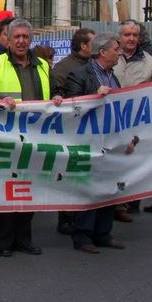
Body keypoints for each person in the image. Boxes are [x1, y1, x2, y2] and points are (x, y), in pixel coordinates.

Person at [0, 18, 61, 257]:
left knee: (28, 190)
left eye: (25, 37)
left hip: (35, 138)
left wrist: (58, 96)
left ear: (31, 39)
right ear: (8, 39)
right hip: (6, 137)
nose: (21, 41)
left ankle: (24, 240)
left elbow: (55, 90)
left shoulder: (43, 66)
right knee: (6, 191)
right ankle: (4, 242)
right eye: (17, 37)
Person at [63, 33, 126, 254]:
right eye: (116, 49)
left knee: (107, 188)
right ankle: (82, 235)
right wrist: (94, 96)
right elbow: (72, 107)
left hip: (109, 141)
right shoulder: (80, 75)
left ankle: (103, 233)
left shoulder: (112, 77)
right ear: (103, 52)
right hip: (87, 141)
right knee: (88, 189)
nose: (120, 53)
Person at [112, 19, 152, 222]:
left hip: (137, 119)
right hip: (113, 118)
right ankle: (113, 203)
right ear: (119, 37)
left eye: (134, 35)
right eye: (127, 35)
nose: (131, 39)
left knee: (132, 160)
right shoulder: (110, 56)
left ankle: (127, 202)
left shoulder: (150, 61)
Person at [51, 27, 95, 235]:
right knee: (69, 174)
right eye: (94, 43)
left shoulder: (94, 66)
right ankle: (66, 218)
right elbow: (58, 94)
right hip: (71, 129)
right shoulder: (64, 67)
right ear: (84, 46)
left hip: (90, 129)